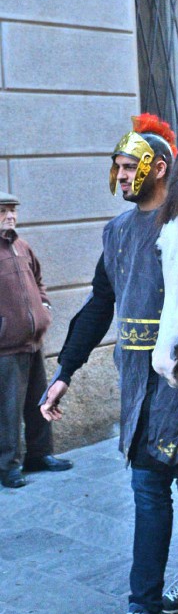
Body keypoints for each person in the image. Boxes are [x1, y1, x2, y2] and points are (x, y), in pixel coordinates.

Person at [40, 115, 178, 614]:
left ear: (160, 168)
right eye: (119, 167)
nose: (123, 175)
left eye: (131, 166)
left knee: (152, 487)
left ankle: (141, 610)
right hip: (135, 378)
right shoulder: (118, 232)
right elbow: (101, 303)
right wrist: (65, 372)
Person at [0, 192, 72, 488]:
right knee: (8, 409)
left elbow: (39, 279)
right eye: (4, 211)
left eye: (13, 210)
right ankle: (8, 466)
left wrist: (44, 306)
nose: (10, 216)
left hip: (34, 342)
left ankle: (40, 455)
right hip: (6, 347)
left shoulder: (21, 246)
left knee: (40, 401)